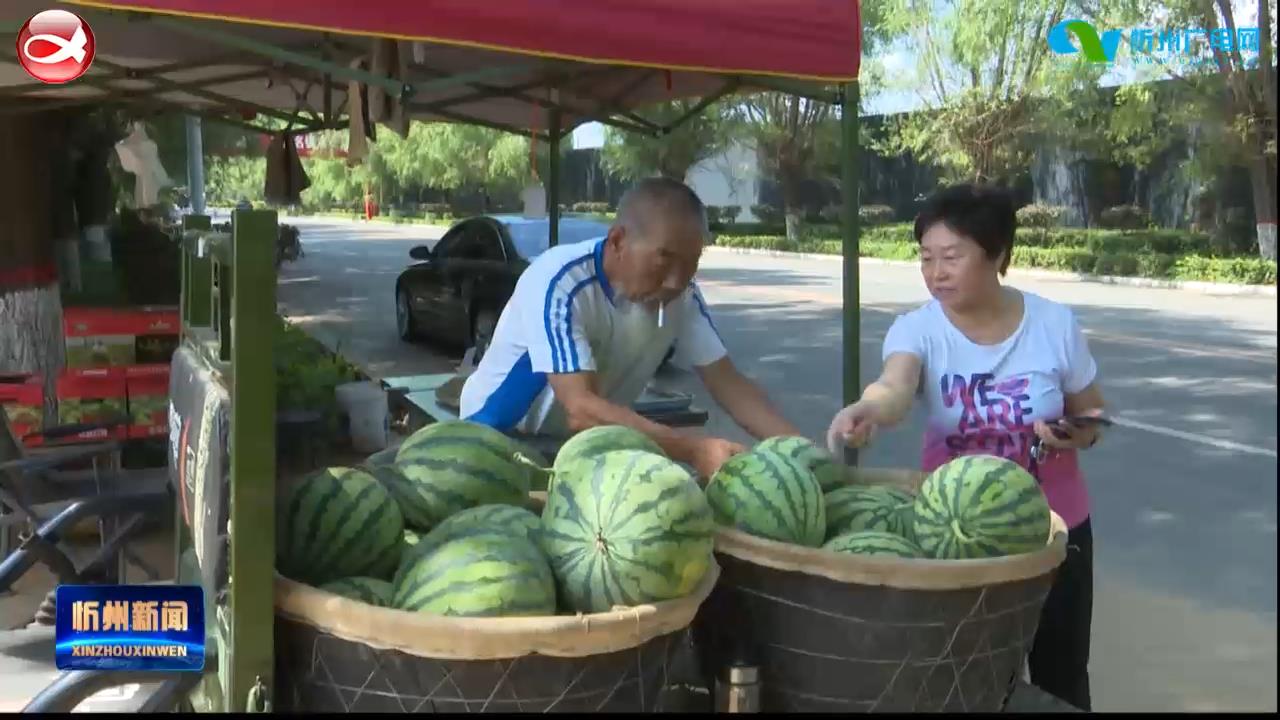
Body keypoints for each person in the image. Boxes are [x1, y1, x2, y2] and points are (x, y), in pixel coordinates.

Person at [826, 184, 1104, 711]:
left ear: (997, 255)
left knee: (1060, 672)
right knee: (962, 677)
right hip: (953, 534)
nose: (936, 272)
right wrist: (869, 409)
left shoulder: (1053, 324)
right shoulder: (918, 328)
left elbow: (1092, 414)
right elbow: (895, 386)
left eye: (952, 257)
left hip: (1055, 530)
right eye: (926, 258)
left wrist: (1074, 431)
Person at [460, 177, 802, 480]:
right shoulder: (558, 280)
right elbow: (581, 407)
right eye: (664, 259)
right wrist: (695, 450)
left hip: (585, 441)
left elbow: (729, 383)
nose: (675, 281)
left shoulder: (682, 297)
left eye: (691, 264)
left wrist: (803, 454)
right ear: (618, 241)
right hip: (499, 434)